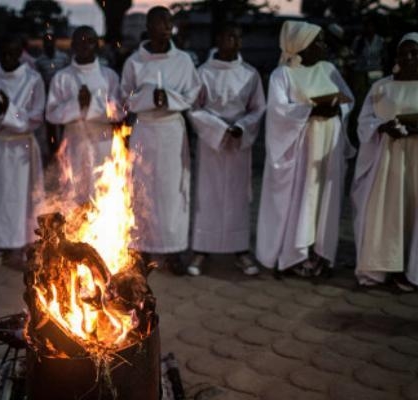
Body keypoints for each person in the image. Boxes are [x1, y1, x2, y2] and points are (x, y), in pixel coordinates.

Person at [352, 33, 418, 291]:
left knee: (413, 212)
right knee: (383, 213)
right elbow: (364, 121)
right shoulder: (381, 87)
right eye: (403, 53)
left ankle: (411, 271)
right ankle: (382, 267)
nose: (407, 58)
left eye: (413, 53)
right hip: (385, 160)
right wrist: (382, 126)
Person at [256, 20, 354, 278]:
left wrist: (338, 108)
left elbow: (348, 99)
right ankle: (293, 255)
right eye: (318, 41)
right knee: (302, 199)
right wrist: (310, 110)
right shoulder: (283, 74)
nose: (324, 45)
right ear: (303, 45)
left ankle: (321, 253)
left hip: (328, 144)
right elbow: (278, 111)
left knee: (324, 199)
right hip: (301, 147)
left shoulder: (329, 69)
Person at [121, 6, 202, 274]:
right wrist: (147, 97)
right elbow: (124, 98)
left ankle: (173, 250)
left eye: (169, 21)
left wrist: (168, 99)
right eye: (160, 22)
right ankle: (142, 249)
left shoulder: (183, 61)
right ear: (149, 26)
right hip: (145, 129)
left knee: (172, 191)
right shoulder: (135, 62)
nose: (167, 26)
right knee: (142, 188)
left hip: (171, 131)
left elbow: (192, 93)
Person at [187, 24, 266, 277]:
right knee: (208, 195)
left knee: (237, 196)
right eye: (231, 36)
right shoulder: (203, 72)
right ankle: (202, 249)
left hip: (238, 143)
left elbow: (258, 108)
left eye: (239, 37)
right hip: (212, 141)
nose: (236, 41)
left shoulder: (249, 74)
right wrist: (219, 129)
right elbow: (193, 107)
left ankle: (240, 249)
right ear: (219, 39)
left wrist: (242, 127)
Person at [0, 35, 46, 269]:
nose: (7, 57)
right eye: (3, 52)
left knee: (24, 197)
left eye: (12, 52)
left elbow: (36, 116)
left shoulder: (33, 79)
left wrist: (10, 111)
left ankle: (28, 246)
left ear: (20, 53)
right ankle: (1, 246)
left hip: (22, 146)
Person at [46, 26, 122, 204]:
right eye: (80, 42)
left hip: (103, 143)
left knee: (104, 195)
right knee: (75, 195)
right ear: (72, 46)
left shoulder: (109, 76)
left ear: (98, 45)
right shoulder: (62, 77)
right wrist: (77, 104)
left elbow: (120, 112)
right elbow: (51, 114)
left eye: (90, 41)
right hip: (75, 143)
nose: (85, 46)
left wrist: (93, 104)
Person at [36, 31, 71, 161]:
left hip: (62, 96)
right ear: (44, 43)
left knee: (63, 123)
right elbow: (39, 79)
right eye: (47, 42)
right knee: (50, 124)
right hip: (47, 96)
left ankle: (64, 148)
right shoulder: (40, 61)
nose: (49, 44)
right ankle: (53, 151)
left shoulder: (63, 58)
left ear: (55, 42)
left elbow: (68, 74)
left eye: (51, 41)